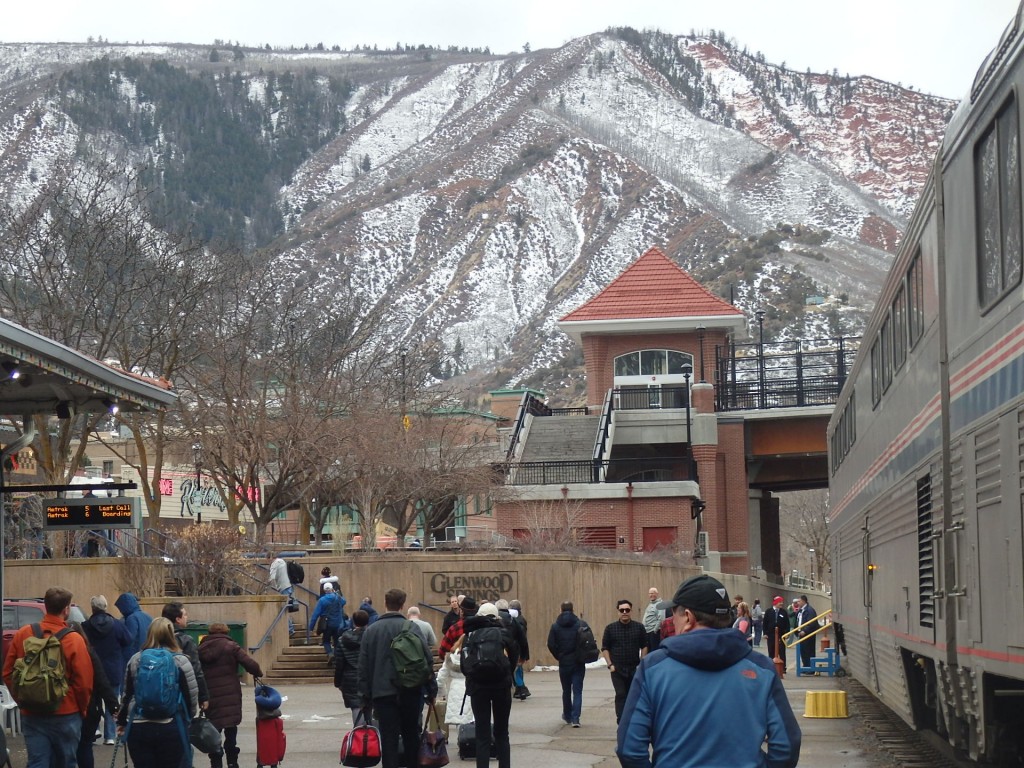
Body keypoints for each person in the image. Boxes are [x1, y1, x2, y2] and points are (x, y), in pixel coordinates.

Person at [616, 575, 801, 768]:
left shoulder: (653, 668)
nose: (671, 621)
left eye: (673, 614)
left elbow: (630, 748)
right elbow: (786, 745)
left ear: (688, 617)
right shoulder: (761, 669)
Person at [2, 586, 94, 768]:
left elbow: (7, 673)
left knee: (37, 762)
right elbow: (84, 683)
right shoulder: (74, 639)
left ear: (45, 605)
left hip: (32, 712)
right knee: (67, 762)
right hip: (66, 711)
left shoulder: (23, 634)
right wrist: (81, 709)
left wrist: (23, 700)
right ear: (66, 609)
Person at [357, 587, 437, 768]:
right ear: (402, 605)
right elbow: (427, 660)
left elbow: (363, 667)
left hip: (382, 693)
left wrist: (364, 696)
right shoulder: (412, 627)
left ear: (385, 604)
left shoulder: (372, 630)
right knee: (411, 735)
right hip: (411, 690)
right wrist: (431, 690)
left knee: (389, 739)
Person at [116, 617, 199, 768]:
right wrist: (189, 717)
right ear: (171, 635)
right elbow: (191, 695)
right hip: (171, 725)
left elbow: (127, 694)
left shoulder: (136, 659)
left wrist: (122, 721)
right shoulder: (181, 661)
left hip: (139, 726)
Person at [198, 622, 264, 768]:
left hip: (210, 695)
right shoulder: (231, 646)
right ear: (226, 632)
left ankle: (216, 762)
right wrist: (258, 672)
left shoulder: (200, 649)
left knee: (214, 731)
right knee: (230, 729)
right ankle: (232, 762)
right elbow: (249, 663)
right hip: (230, 695)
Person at [463, 602, 519, 768]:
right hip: (501, 686)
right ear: (496, 616)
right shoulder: (504, 633)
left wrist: (473, 676)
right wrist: (506, 672)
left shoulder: (471, 635)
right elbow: (514, 657)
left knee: (482, 734)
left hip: (478, 687)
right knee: (502, 733)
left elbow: (464, 664)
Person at [68, 622, 119, 768]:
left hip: (66, 707)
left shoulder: (61, 652)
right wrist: (114, 707)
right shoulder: (89, 652)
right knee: (85, 746)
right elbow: (102, 681)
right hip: (90, 708)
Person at [82, 594, 131, 745]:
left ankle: (93, 730)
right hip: (113, 668)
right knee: (112, 700)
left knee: (92, 701)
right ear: (106, 606)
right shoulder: (117, 624)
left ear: (92, 608)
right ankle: (110, 735)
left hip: (92, 670)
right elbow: (128, 640)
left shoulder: (85, 626)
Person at [601, 599, 648, 724]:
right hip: (617, 668)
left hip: (633, 668)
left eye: (627, 610)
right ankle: (621, 720)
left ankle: (632, 719)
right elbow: (605, 648)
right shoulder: (610, 628)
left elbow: (644, 645)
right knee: (621, 694)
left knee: (633, 695)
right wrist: (610, 664)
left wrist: (642, 663)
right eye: (622, 610)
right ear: (618, 612)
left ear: (631, 611)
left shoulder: (639, 627)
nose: (624, 612)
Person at [162, 602, 210, 711]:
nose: (187, 617)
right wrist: (203, 696)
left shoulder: (155, 638)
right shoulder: (185, 640)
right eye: (185, 615)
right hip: (179, 695)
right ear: (178, 619)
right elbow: (195, 670)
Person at [547, 600, 586, 727]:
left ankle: (567, 715)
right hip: (578, 661)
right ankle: (576, 718)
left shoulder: (556, 626)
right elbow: (588, 641)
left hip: (564, 662)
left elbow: (551, 644)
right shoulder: (580, 624)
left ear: (561, 609)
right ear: (573, 609)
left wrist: (559, 655)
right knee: (578, 691)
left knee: (566, 690)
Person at [334, 610, 370, 726]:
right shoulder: (372, 638)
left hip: (350, 677)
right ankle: (372, 737)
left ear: (353, 622)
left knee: (356, 706)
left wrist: (338, 682)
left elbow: (339, 663)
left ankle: (359, 737)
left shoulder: (343, 640)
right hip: (368, 676)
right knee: (372, 706)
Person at [309, 582, 346, 663]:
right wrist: (336, 593)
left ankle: (330, 654)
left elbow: (315, 615)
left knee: (326, 640)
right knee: (336, 641)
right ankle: (337, 658)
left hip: (328, 624)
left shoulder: (322, 600)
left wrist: (311, 627)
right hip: (338, 624)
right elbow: (344, 602)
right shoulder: (338, 598)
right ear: (332, 589)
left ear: (324, 590)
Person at [115, 592, 153, 661]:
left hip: (135, 657)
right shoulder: (148, 616)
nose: (120, 611)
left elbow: (129, 640)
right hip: (149, 654)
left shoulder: (131, 618)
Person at [508, 599, 531, 700]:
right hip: (520, 647)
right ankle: (520, 687)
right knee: (518, 669)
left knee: (516, 669)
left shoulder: (514, 621)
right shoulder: (522, 619)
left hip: (515, 648)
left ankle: (520, 688)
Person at [266, 552, 294, 634]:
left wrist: (270, 587)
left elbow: (272, 578)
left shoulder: (274, 564)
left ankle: (290, 629)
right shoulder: (282, 561)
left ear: (270, 558)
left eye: (267, 560)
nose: (268, 562)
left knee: (284, 609)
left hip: (283, 588)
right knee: (286, 608)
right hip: (289, 586)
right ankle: (290, 628)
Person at [763, 596, 788, 672]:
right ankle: (772, 666)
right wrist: (765, 633)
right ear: (775, 602)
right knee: (771, 651)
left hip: (781, 635)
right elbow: (765, 623)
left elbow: (787, 623)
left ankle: (783, 668)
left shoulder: (783, 612)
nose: (781, 603)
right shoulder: (769, 611)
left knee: (782, 651)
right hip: (771, 635)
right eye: (780, 602)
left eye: (782, 602)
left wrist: (787, 633)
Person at [795, 595, 819, 670]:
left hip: (808, 634)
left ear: (803, 601)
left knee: (809, 651)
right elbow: (797, 621)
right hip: (801, 634)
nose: (797, 603)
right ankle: (806, 667)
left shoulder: (809, 610)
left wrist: (805, 631)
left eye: (799, 601)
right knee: (803, 651)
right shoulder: (800, 611)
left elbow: (812, 623)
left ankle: (810, 668)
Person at [641, 588, 662, 653]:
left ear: (657, 594)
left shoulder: (659, 604)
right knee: (648, 651)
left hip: (653, 632)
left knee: (654, 651)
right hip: (647, 632)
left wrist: (655, 631)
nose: (651, 595)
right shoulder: (650, 604)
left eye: (652, 593)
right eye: (650, 593)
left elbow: (661, 618)